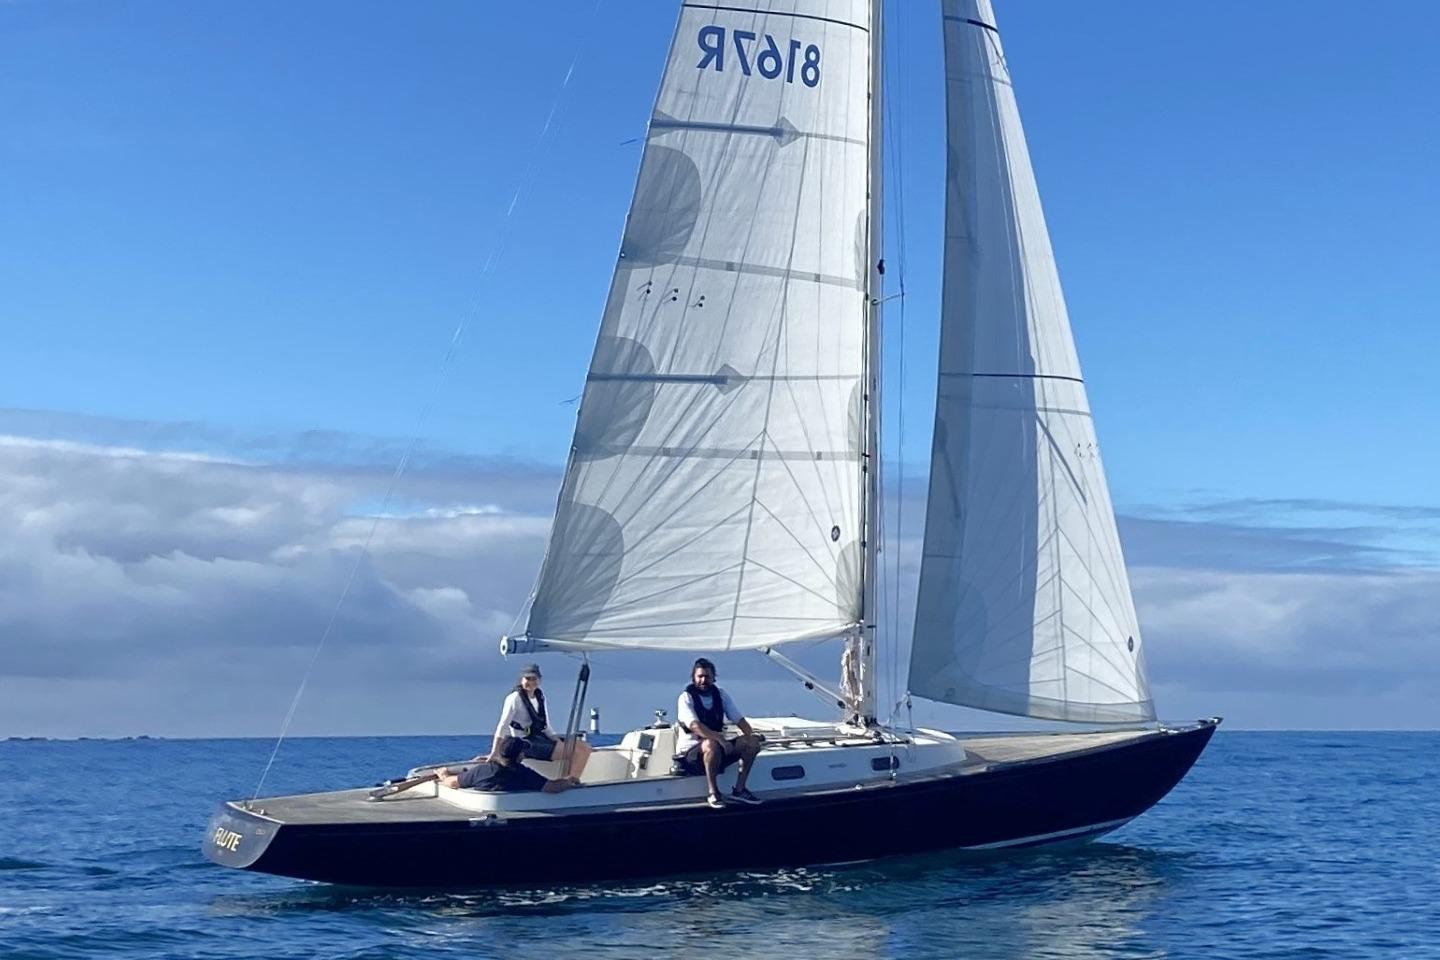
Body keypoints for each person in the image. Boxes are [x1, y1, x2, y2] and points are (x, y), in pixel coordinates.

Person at [674, 657, 763, 809]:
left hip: (718, 749)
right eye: (700, 676)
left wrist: (751, 735)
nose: (703, 680)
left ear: (714, 678)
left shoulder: (721, 695)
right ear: (694, 678)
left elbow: (738, 719)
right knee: (711, 743)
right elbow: (695, 726)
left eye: (707, 676)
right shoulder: (686, 698)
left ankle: (740, 789)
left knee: (751, 742)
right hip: (692, 753)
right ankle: (713, 792)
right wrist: (720, 739)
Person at [492, 662, 591, 776]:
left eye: (534, 679)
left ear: (539, 680)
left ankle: (571, 779)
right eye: (527, 679)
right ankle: (570, 781)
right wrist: (495, 752)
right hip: (525, 743)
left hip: (540, 738)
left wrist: (556, 739)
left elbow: (546, 725)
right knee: (576, 752)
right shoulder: (514, 699)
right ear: (521, 680)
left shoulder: (539, 697)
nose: (531, 682)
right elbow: (503, 725)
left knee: (585, 747)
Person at [434, 736, 579, 794]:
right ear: (520, 755)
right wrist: (569, 780)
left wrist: (444, 775)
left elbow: (452, 783)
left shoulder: (482, 770)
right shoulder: (523, 774)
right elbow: (552, 787)